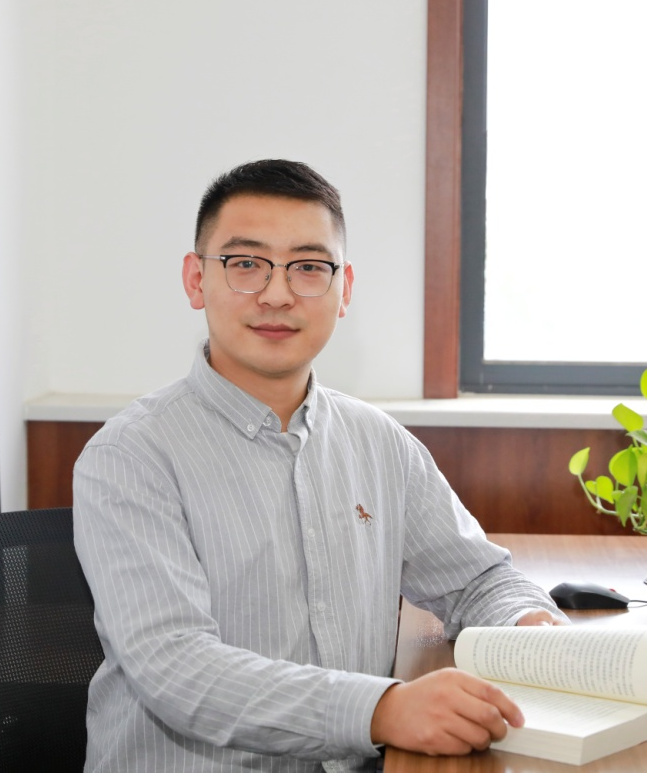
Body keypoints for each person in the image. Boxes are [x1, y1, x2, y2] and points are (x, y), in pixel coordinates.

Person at [72, 159, 567, 772]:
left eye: (308, 267)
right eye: (246, 264)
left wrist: (529, 626)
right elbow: (176, 667)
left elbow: (477, 579)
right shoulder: (130, 457)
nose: (277, 294)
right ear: (196, 280)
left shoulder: (378, 443)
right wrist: (382, 709)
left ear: (344, 289)